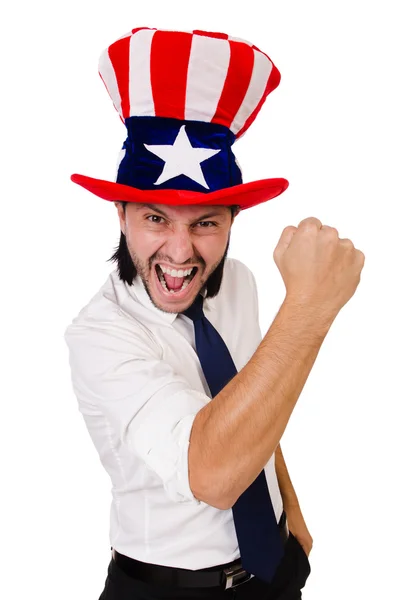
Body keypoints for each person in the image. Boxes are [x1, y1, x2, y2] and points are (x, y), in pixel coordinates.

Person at [64, 27, 365, 600]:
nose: (180, 253)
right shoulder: (99, 336)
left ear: (232, 222)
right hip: (165, 589)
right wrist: (309, 306)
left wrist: (292, 523)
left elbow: (256, 401)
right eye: (156, 219)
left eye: (206, 223)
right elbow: (214, 476)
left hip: (272, 568)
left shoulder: (238, 286)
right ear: (121, 216)